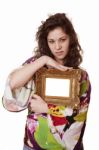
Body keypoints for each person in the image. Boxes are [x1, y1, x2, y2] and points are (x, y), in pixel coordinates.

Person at [2, 13, 91, 150]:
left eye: (62, 39)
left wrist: (46, 108)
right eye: (52, 41)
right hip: (33, 145)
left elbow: (79, 114)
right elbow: (12, 85)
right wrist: (43, 60)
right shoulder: (36, 65)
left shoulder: (81, 76)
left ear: (70, 39)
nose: (57, 47)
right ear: (46, 42)